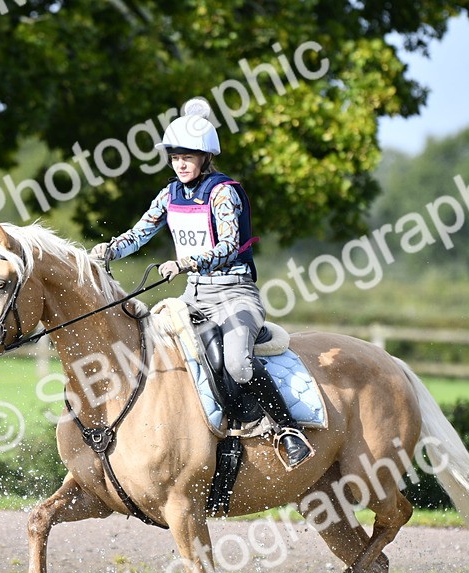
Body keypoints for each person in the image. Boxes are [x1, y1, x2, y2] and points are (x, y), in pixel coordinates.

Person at [91, 98, 313, 469]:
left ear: (205, 158)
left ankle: (287, 430)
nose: (180, 163)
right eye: (175, 155)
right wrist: (108, 251)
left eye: (188, 156)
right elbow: (140, 233)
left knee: (239, 363)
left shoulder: (222, 192)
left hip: (235, 294)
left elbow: (228, 246)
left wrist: (187, 261)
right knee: (151, 349)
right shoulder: (169, 194)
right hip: (193, 296)